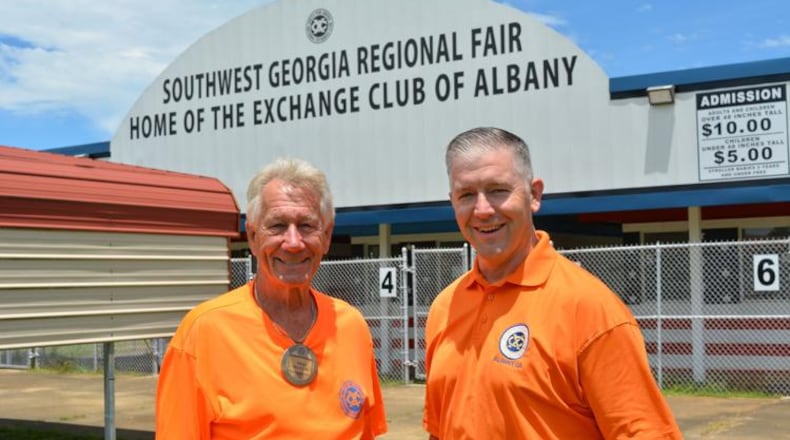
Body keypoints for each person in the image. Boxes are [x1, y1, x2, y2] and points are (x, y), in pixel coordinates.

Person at [423, 127, 681, 439]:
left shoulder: (590, 309)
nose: (483, 210)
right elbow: (441, 430)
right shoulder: (444, 307)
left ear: (534, 195)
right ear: (452, 202)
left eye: (498, 190)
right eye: (466, 195)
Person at [156, 157, 387, 439]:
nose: (293, 242)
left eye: (306, 226)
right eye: (277, 225)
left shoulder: (352, 326)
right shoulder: (202, 332)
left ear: (326, 237)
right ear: (252, 237)